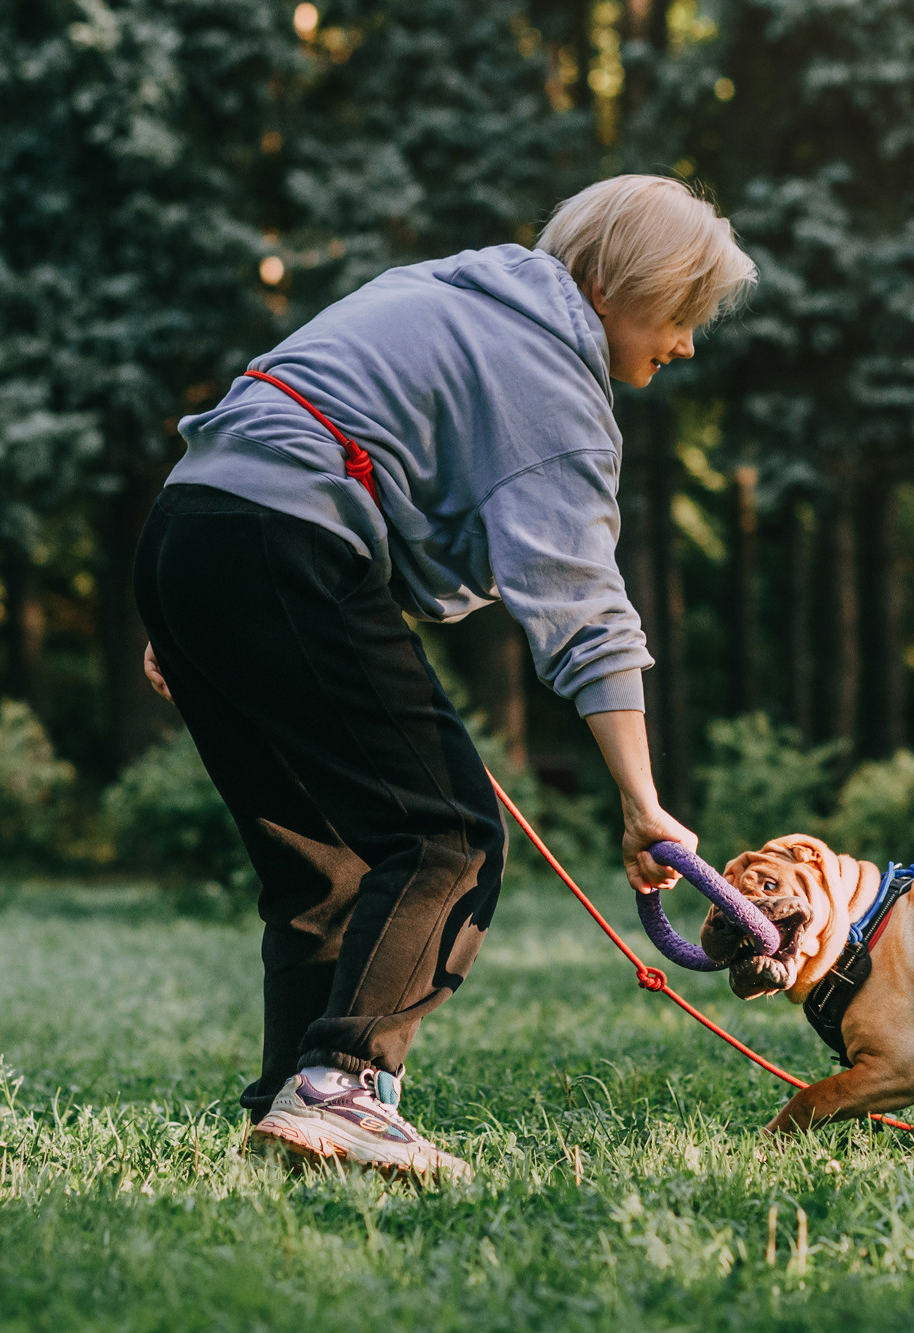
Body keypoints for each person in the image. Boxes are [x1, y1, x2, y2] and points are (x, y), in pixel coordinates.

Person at [133, 176, 756, 1180]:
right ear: (606, 282)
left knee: (323, 861)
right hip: (279, 540)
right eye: (679, 313)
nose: (685, 343)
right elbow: (584, 607)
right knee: (446, 835)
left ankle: (291, 1114)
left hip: (190, 528)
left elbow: (277, 427)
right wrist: (643, 805)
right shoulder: (551, 377)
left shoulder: (445, 290)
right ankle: (341, 1086)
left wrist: (193, 611)